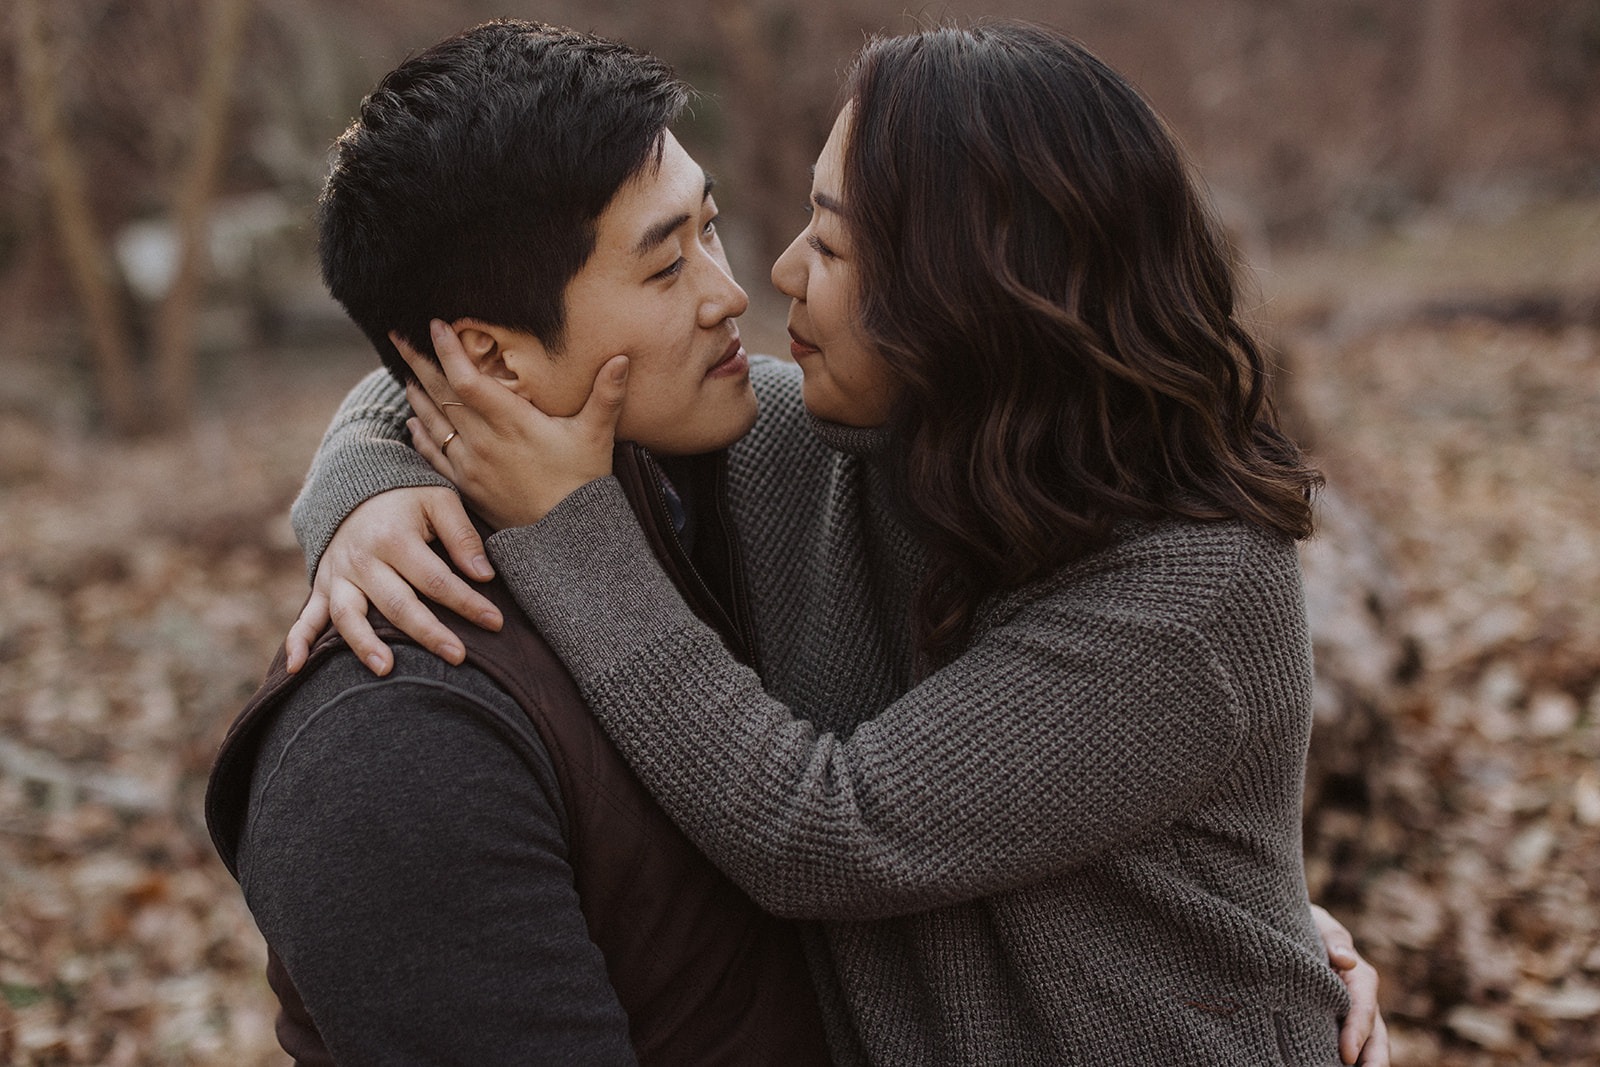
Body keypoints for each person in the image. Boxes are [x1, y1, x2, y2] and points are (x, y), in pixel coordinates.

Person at [285, 21, 1392, 1067]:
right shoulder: (817, 449)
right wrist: (365, 479)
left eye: (833, 242)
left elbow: (826, 829)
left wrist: (565, 529)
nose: (771, 278)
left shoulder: (1187, 588)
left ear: (970, 295)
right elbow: (462, 355)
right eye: (682, 254)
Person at [203, 20, 832, 1065]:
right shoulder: (391, 740)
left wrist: (363, 452)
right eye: (667, 264)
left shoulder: (703, 486)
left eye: (708, 229)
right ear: (489, 358)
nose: (730, 294)